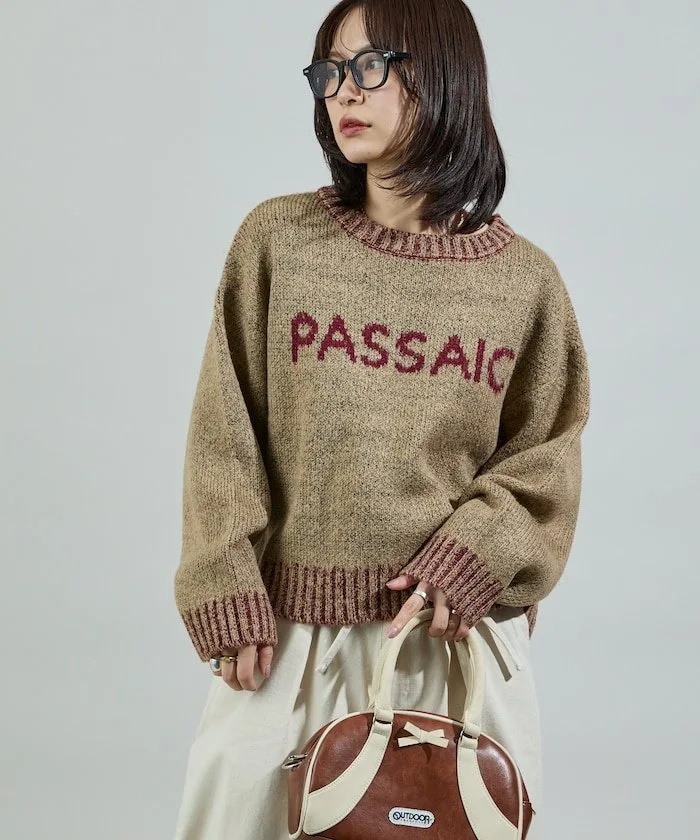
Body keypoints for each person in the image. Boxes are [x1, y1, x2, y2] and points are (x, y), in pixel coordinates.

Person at [172, 1, 591, 837]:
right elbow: (224, 428)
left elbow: (547, 457)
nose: (343, 91)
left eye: (370, 66)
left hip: (451, 648)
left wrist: (478, 556)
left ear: (442, 74)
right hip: (285, 646)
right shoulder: (279, 242)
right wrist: (220, 579)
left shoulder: (525, 283)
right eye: (329, 71)